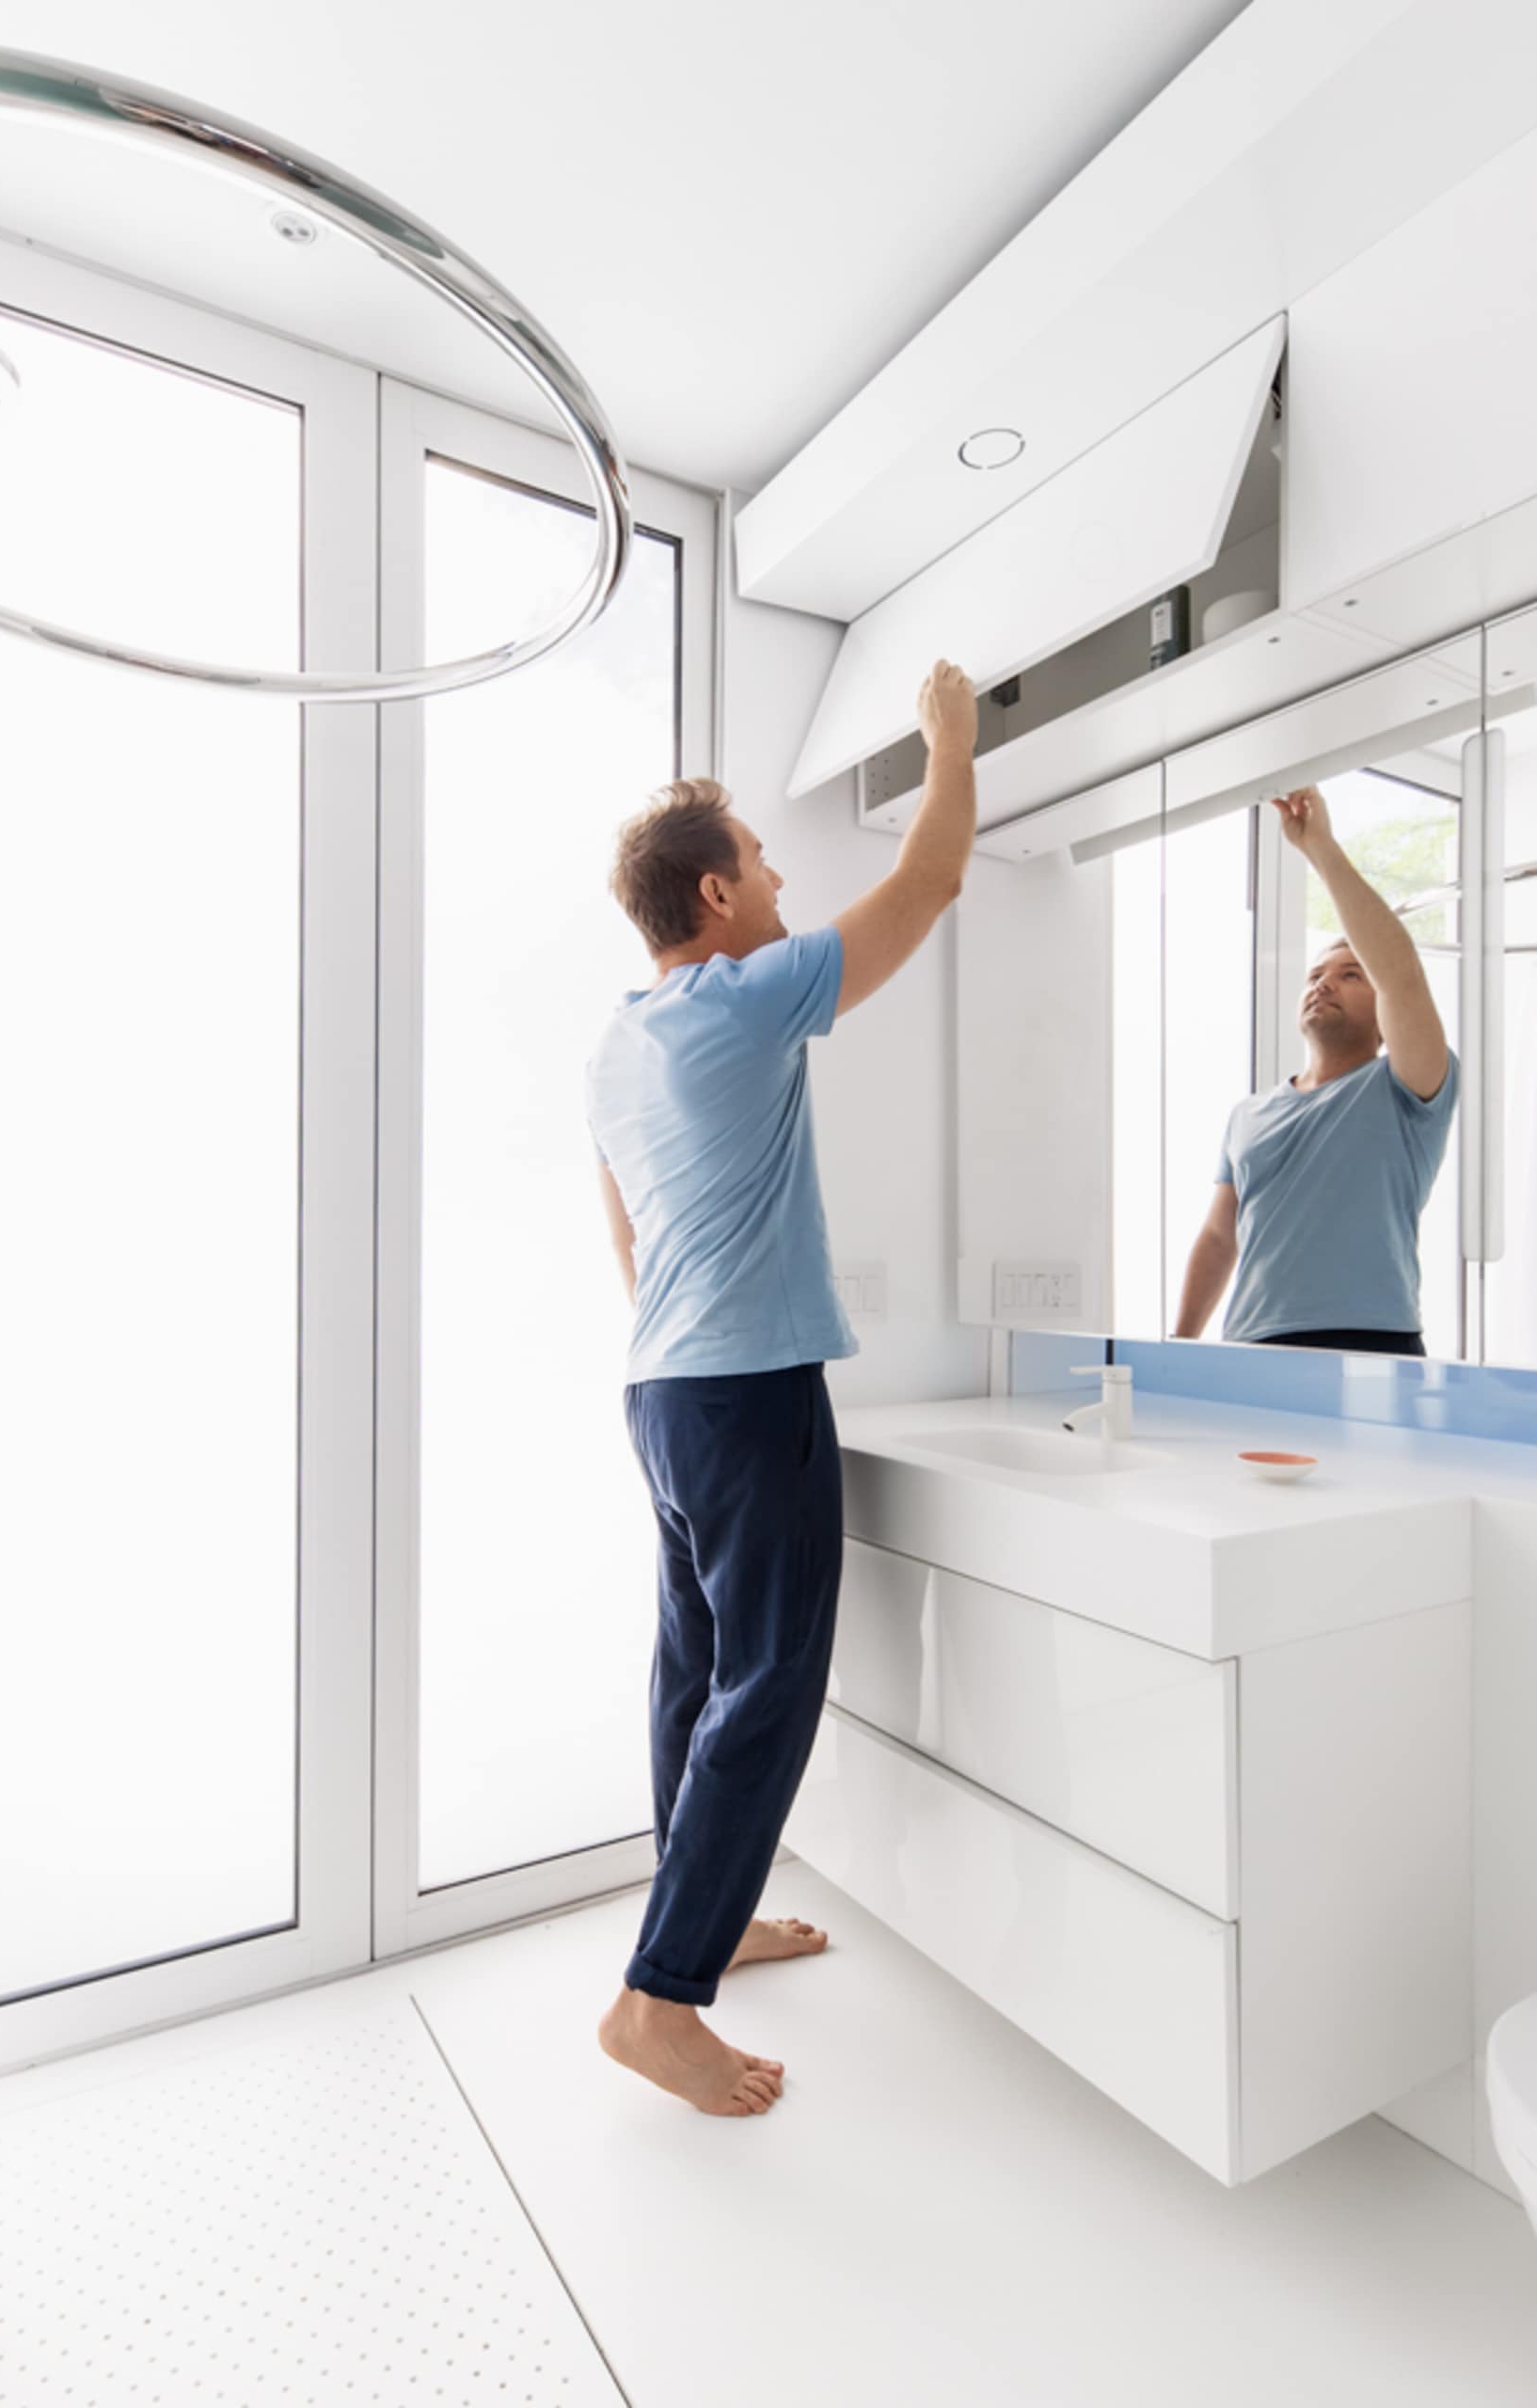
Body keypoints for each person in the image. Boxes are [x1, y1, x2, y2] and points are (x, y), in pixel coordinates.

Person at [579, 659, 979, 2116]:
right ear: (711, 904)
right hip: (744, 1392)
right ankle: (659, 2000)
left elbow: (623, 1225)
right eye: (757, 859)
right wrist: (950, 739)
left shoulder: (623, 1042)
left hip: (665, 1390)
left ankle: (709, 1919)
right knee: (770, 1687)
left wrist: (693, 1337)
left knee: (696, 1671)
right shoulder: (744, 1000)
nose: (778, 873)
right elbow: (928, 884)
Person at [1173, 785, 1457, 1353]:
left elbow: (1401, 977)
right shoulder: (1248, 1113)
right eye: (1315, 975)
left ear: (1385, 1015)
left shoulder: (1408, 1087)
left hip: (1373, 1341)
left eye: (1351, 974)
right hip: (1252, 1342)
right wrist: (1177, 1345)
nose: (1324, 982)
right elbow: (1218, 1236)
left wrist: (1320, 848)